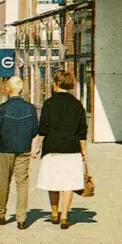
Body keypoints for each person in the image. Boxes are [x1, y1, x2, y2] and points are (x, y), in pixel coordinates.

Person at [31, 69, 88, 230]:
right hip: (72, 149)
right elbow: (82, 130)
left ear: (56, 84)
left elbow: (44, 128)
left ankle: (54, 213)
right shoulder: (77, 104)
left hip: (52, 149)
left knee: (52, 182)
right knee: (68, 184)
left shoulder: (49, 103)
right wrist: (84, 152)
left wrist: (37, 147)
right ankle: (65, 217)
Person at [0, 76, 38, 230]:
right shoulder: (30, 108)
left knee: (4, 182)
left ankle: (1, 213)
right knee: (22, 183)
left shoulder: (2, 108)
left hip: (6, 148)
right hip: (23, 148)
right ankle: (21, 218)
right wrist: (25, 140)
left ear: (7, 89)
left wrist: (4, 139)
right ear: (21, 90)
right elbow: (34, 130)